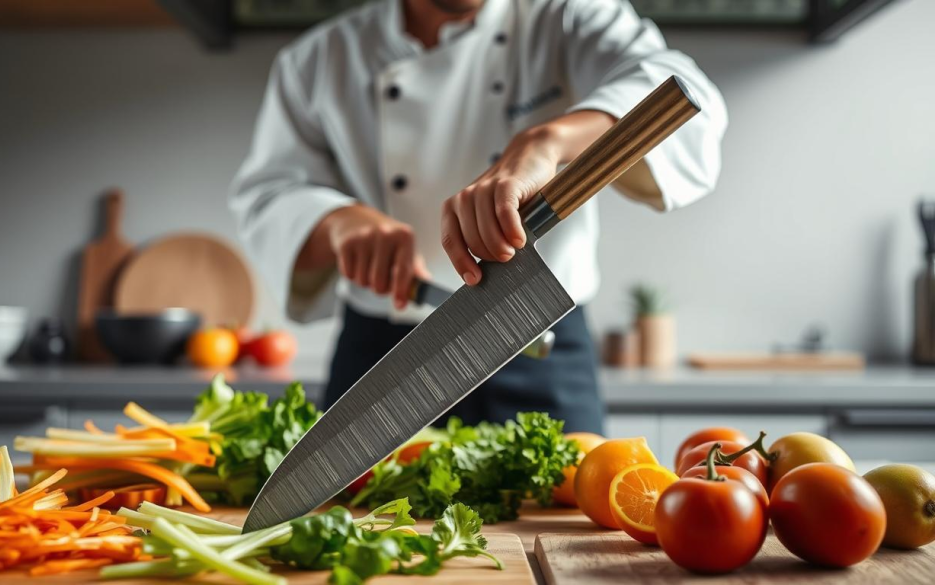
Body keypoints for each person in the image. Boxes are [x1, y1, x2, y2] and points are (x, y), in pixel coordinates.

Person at [230, 0, 727, 433]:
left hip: (543, 347)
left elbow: (684, 93)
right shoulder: (318, 58)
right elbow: (267, 195)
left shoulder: (568, 15)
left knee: (567, 529)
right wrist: (337, 223)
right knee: (357, 527)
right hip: (383, 356)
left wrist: (549, 142)